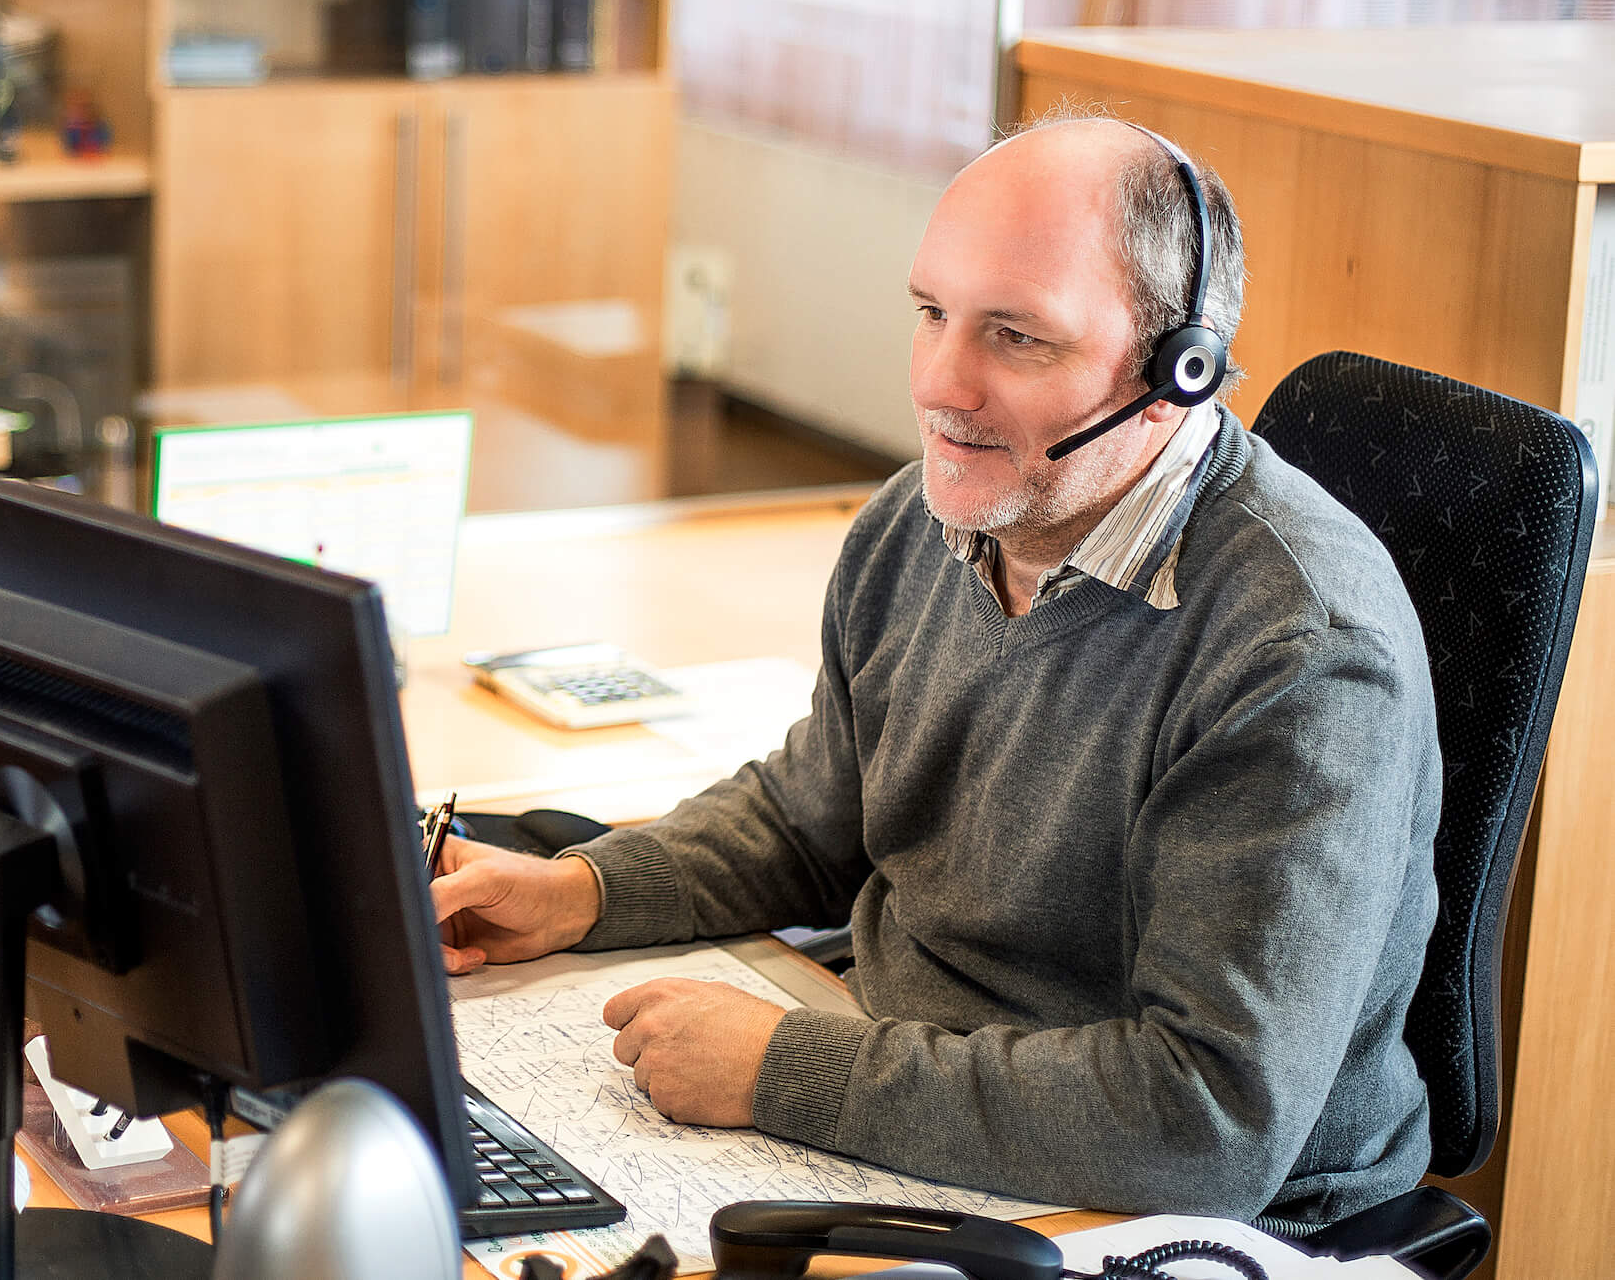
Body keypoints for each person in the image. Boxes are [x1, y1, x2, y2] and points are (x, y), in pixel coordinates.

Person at [432, 116, 1441, 1235]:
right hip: (913, 1111)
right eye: (931, 313)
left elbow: (1206, 1121)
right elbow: (810, 819)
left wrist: (783, 1069)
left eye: (1016, 336)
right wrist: (585, 891)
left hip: (1168, 1216)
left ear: (1175, 373)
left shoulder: (1297, 649)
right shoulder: (925, 523)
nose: (939, 383)